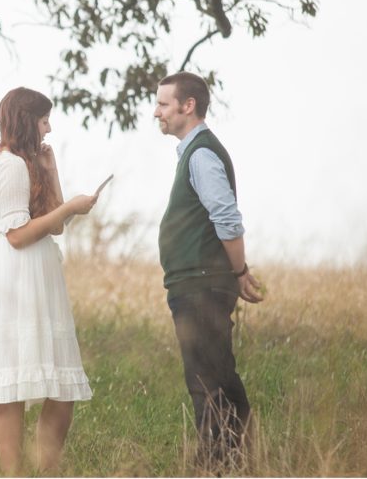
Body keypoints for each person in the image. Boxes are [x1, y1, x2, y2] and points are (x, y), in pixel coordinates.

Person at [0, 87, 98, 476]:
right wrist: (70, 207)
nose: (49, 126)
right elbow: (17, 234)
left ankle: (47, 470)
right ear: (27, 120)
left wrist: (51, 171)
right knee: (11, 384)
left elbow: (56, 226)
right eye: (44, 119)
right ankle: (14, 474)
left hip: (41, 272)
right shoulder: (10, 165)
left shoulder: (29, 163)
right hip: (19, 274)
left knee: (60, 384)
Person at [153, 71, 264, 472]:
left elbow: (227, 219)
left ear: (188, 106)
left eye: (164, 104)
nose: (156, 112)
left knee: (206, 381)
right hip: (195, 282)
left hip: (201, 284)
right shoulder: (193, 152)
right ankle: (242, 460)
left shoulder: (201, 154)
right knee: (219, 373)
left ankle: (215, 466)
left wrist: (239, 272)